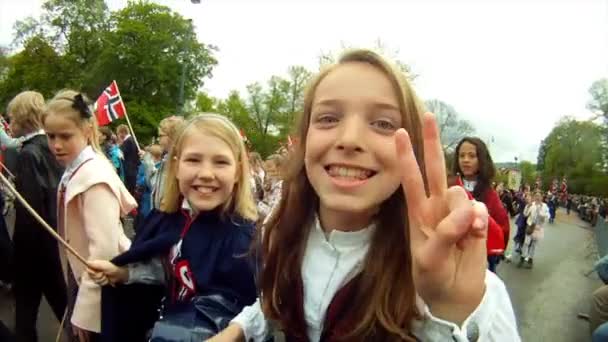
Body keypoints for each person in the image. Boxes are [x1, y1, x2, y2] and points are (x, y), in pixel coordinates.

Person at [209, 49, 519, 341]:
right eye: (328, 118)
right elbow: (273, 304)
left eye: (383, 124)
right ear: (304, 141)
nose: (349, 139)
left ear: (413, 151)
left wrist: (449, 311)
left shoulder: (466, 287)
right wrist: (237, 329)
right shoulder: (280, 228)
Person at [87, 114, 258, 341]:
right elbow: (168, 270)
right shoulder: (166, 220)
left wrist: (233, 333)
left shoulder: (247, 237)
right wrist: (125, 273)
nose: (206, 174)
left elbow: (268, 305)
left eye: (221, 162)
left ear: (237, 171)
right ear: (176, 167)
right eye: (193, 160)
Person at [44, 90, 137, 342]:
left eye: (65, 136)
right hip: (81, 275)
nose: (56, 145)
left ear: (86, 130)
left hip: (99, 286)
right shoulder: (76, 168)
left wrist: (86, 311)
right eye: (50, 136)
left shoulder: (93, 176)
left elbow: (104, 250)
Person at [8, 91, 67, 342]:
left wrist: (19, 253)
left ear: (22, 118)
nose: (9, 123)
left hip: (34, 249)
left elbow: (29, 212)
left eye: (11, 118)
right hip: (57, 241)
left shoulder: (29, 154)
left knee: (25, 314)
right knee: (65, 308)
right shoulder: (55, 148)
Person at [452, 137, 510, 273]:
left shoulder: (490, 194)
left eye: (472, 156)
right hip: (451, 255)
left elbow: (502, 227)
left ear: (481, 160)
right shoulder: (449, 186)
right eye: (462, 155)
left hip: (481, 258)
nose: (465, 160)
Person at [520, 191, 549, 268]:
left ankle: (530, 259)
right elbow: (525, 214)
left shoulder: (544, 206)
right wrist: (527, 207)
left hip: (538, 228)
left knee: (533, 245)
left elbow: (547, 216)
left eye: (539, 196)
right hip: (530, 226)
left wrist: (541, 214)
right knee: (526, 243)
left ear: (542, 197)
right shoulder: (531, 205)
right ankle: (522, 258)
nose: (537, 197)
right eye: (536, 196)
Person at [117, 124, 140, 196]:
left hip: (129, 169)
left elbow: (121, 154)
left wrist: (120, 145)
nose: (118, 135)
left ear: (123, 132)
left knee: (129, 191)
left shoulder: (127, 141)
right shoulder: (132, 140)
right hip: (133, 168)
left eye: (118, 133)